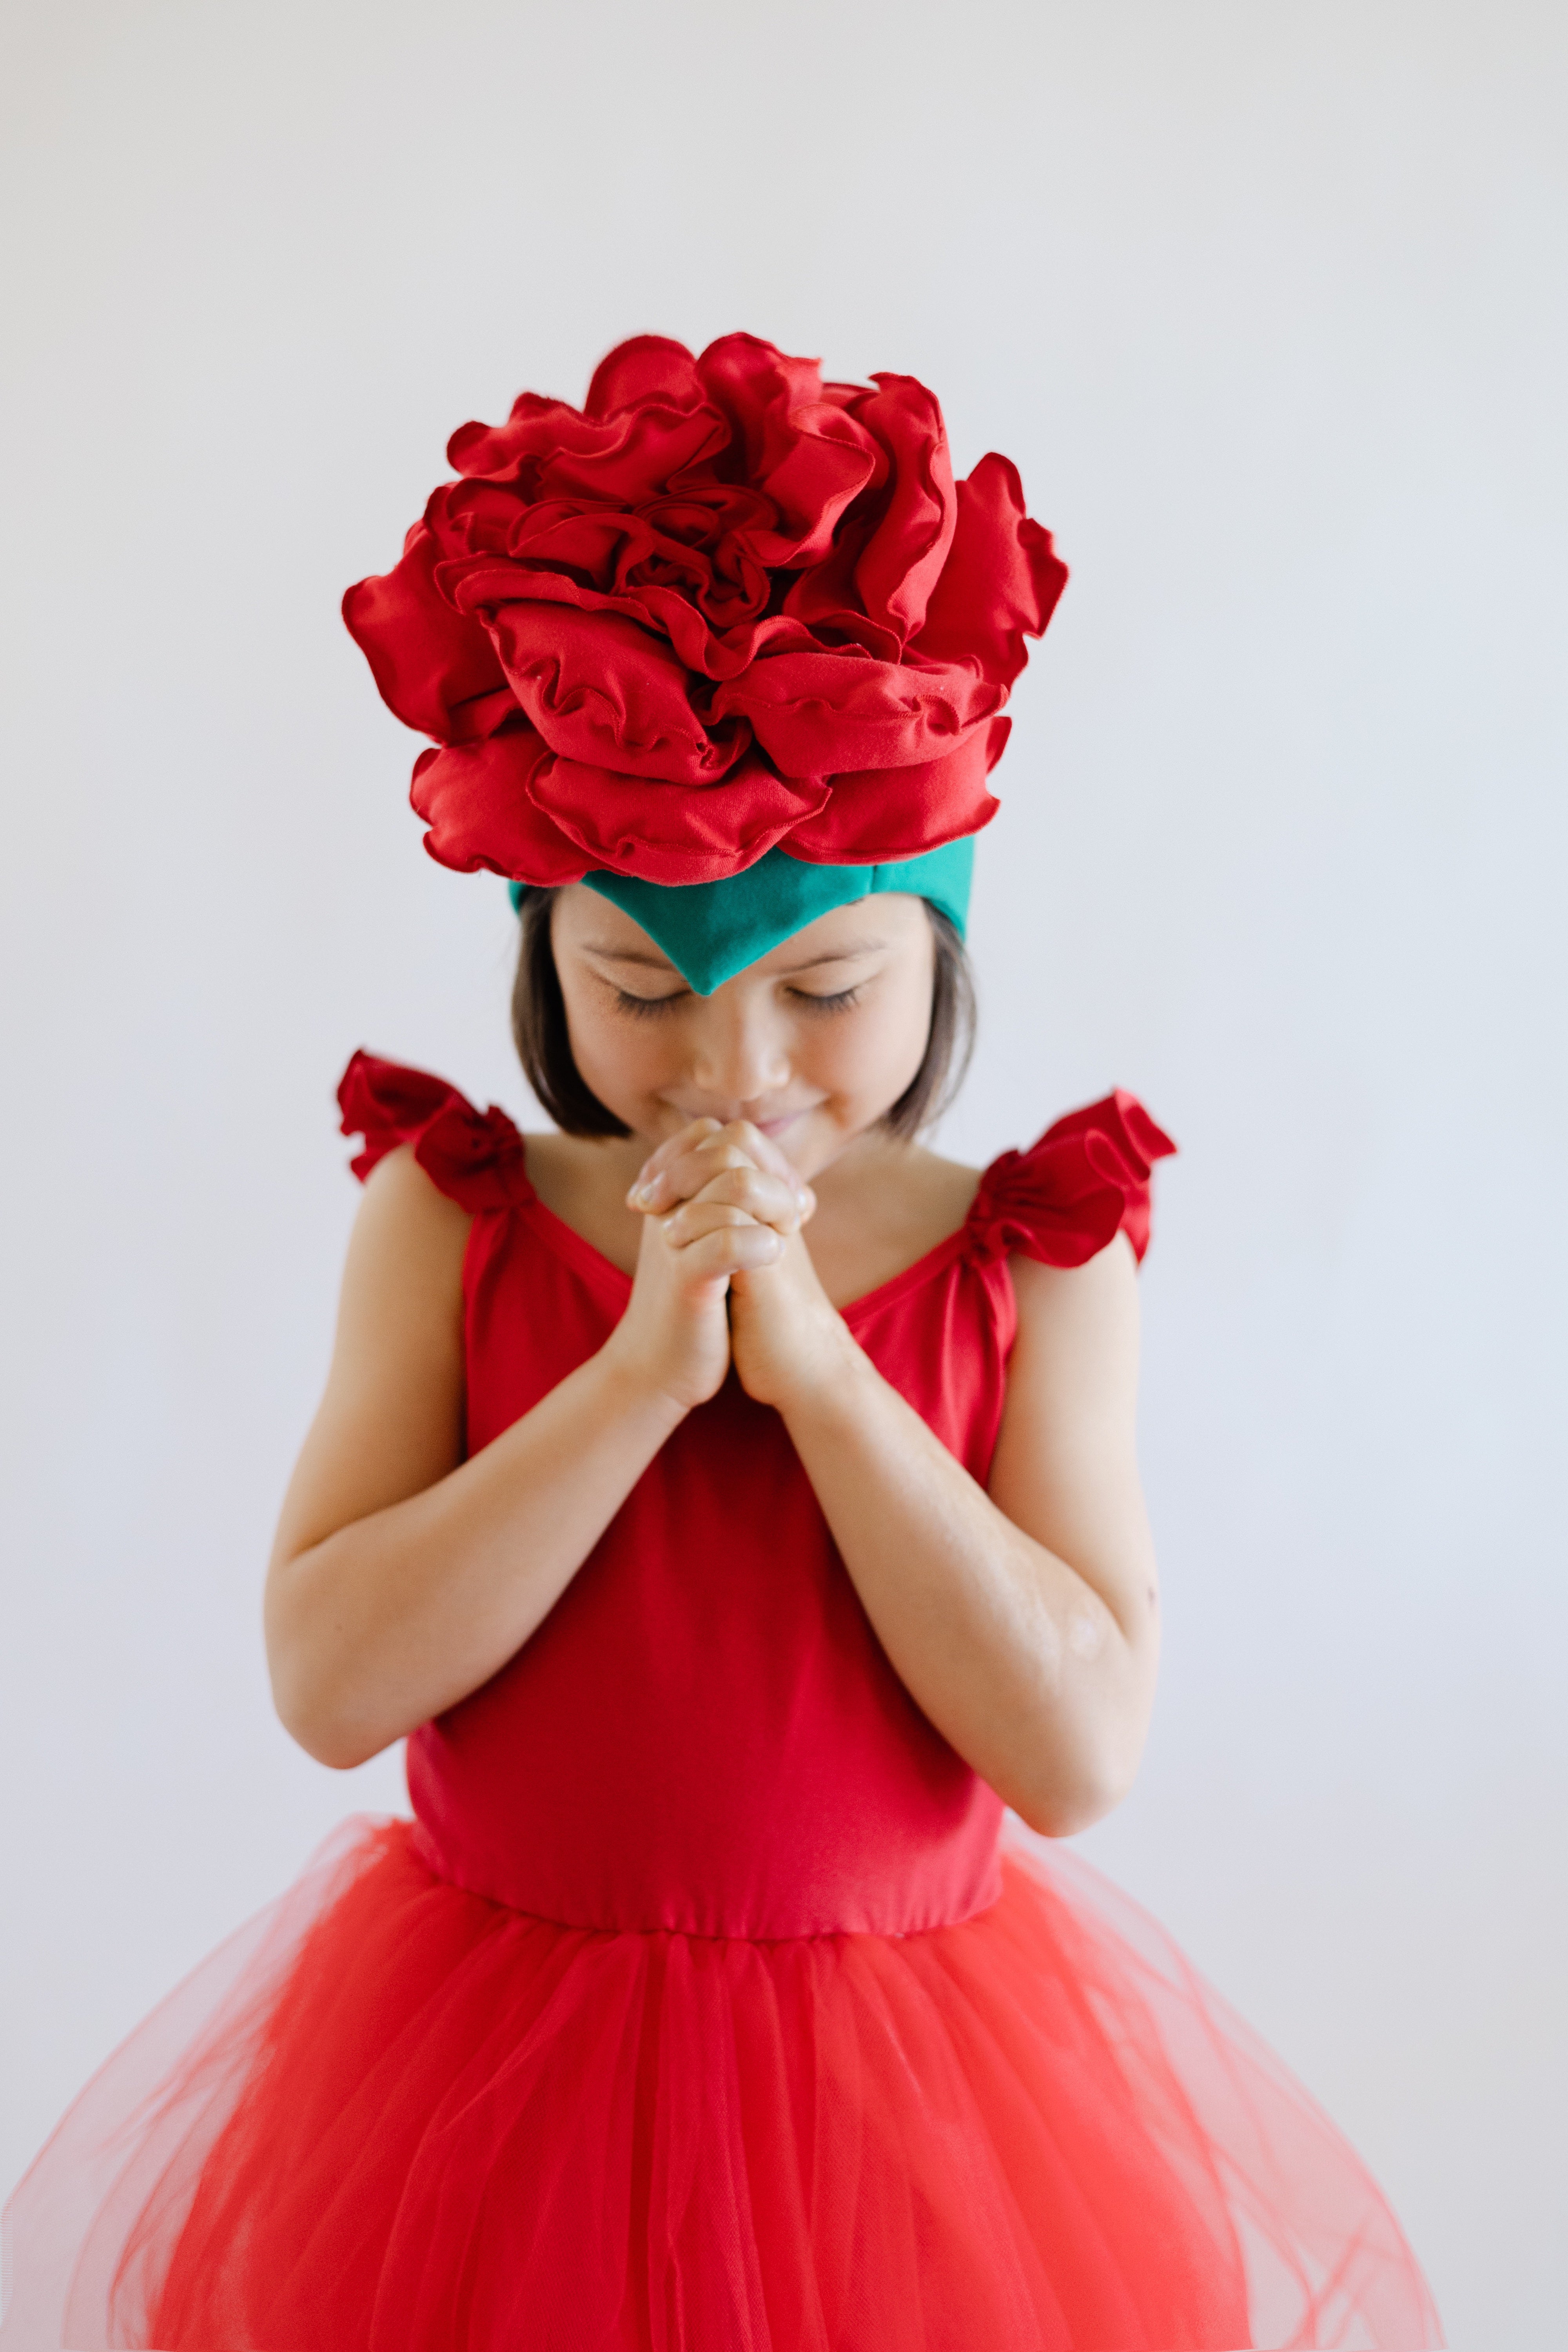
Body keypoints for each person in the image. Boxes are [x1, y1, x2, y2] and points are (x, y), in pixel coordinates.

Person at [1, 334, 1441, 2350]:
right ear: (541, 961)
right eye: (636, 984)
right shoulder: (453, 1216)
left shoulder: (1031, 1254)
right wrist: (635, 1380)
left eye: (826, 986)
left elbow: (1077, 1746)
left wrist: (822, 1375)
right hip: (490, 2098)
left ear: (937, 954)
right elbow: (331, 1684)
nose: (730, 1070)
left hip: (909, 2119)